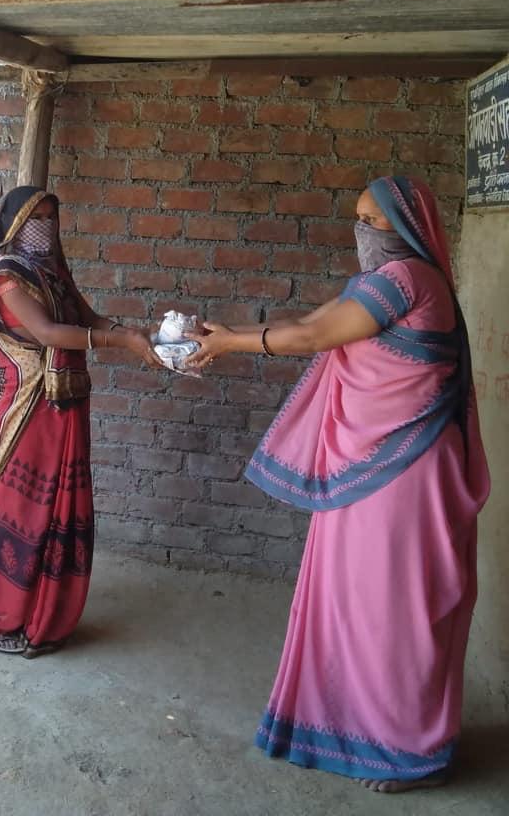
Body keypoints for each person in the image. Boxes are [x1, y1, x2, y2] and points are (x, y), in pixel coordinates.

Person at [188, 176, 489, 792]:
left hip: (406, 470)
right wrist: (224, 337)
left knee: (395, 609)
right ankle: (363, 730)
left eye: (376, 221)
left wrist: (233, 344)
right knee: (361, 604)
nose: (365, 232)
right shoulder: (379, 284)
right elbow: (314, 320)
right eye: (358, 218)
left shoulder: (406, 281)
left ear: (409, 226)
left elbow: (314, 338)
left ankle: (411, 750)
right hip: (376, 470)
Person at [0, 187, 158, 658]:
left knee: (60, 510)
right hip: (29, 408)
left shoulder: (53, 272)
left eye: (51, 218)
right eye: (35, 219)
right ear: (12, 224)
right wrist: (121, 342)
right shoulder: (6, 276)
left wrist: (140, 335)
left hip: (65, 404)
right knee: (23, 510)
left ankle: (44, 620)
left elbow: (87, 318)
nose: (43, 228)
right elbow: (49, 333)